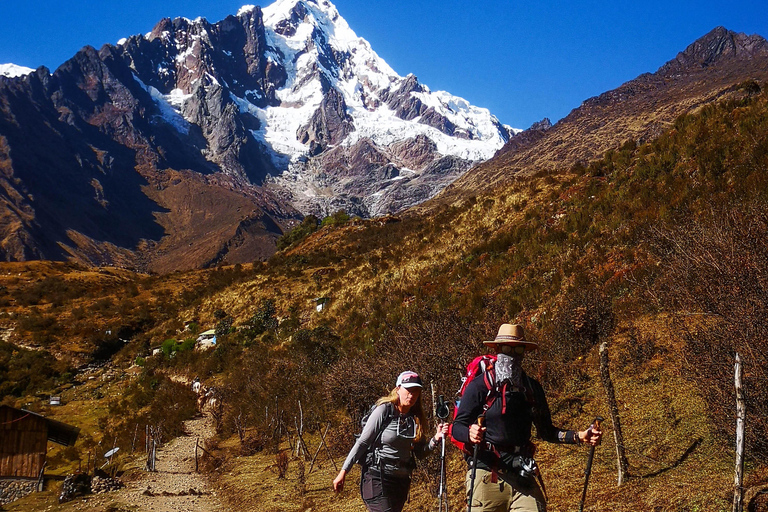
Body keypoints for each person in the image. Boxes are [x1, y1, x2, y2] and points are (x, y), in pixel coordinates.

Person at [451, 324, 603, 512]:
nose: (512, 354)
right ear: (497, 350)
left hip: (522, 474)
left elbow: (546, 432)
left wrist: (580, 436)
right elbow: (456, 427)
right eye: (507, 348)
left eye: (518, 349)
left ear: (524, 352)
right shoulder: (480, 386)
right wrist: (470, 433)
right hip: (486, 473)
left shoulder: (532, 388)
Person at [333, 371, 450, 512]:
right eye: (408, 390)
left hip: (400, 482)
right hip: (377, 477)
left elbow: (420, 453)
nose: (412, 395)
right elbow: (363, 442)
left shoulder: (415, 419)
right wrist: (343, 472)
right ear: (398, 389)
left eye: (416, 391)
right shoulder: (384, 410)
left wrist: (435, 439)